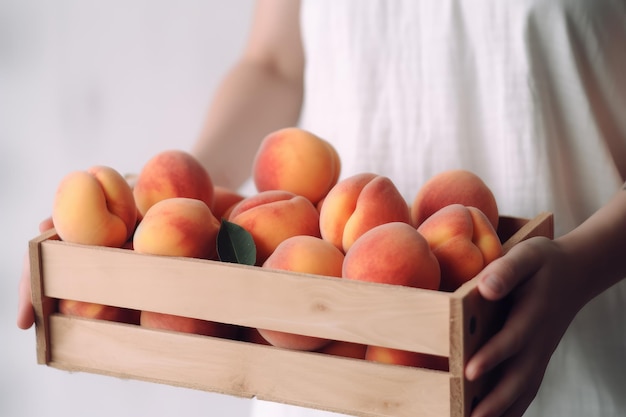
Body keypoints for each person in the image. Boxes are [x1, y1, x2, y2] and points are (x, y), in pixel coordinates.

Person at [18, 0, 626, 416]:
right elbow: (274, 63)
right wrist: (169, 202)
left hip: (565, 349)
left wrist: (584, 267)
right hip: (319, 360)